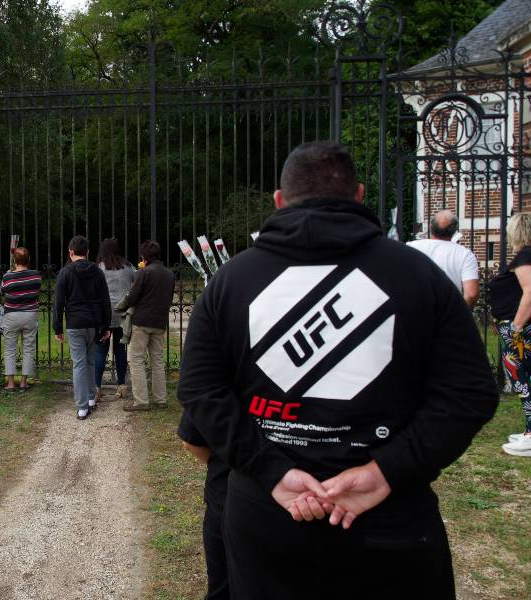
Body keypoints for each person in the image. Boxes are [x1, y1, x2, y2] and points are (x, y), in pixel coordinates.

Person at [177, 141, 498, 599]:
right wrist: (386, 470)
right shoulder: (418, 275)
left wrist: (271, 470)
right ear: (360, 195)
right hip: (391, 517)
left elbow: (199, 391)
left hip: (268, 515)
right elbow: (470, 393)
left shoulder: (232, 280)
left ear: (279, 201)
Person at [53, 235, 111, 420]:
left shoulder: (65, 272)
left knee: (79, 363)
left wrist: (57, 328)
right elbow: (105, 301)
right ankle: (90, 398)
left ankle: (82, 407)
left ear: (71, 252)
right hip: (94, 323)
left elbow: (58, 303)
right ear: (87, 252)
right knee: (90, 361)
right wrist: (106, 325)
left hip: (75, 323)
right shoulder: (98, 272)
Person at [489, 212, 531, 457]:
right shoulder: (525, 256)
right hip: (518, 326)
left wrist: (515, 325)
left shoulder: (524, 256)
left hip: (520, 328)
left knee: (521, 378)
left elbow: (529, 292)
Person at [178, 413, 230, 600]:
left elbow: (191, 441)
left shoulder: (226, 383)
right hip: (302, 508)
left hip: (225, 495)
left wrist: (222, 464)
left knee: (223, 587)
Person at [124, 240, 175, 412]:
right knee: (157, 360)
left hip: (142, 322)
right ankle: (161, 399)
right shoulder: (169, 274)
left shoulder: (143, 273)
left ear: (144, 257)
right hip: (160, 322)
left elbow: (132, 298)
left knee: (136, 359)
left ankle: (141, 401)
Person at [407, 209, 480, 308]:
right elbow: (471, 294)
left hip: (415, 310)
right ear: (455, 230)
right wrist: (458, 314)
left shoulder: (411, 247)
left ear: (430, 227)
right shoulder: (465, 254)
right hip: (447, 314)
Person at [94, 238, 135, 401]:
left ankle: (96, 387)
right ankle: (122, 385)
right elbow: (138, 279)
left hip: (104, 314)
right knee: (120, 350)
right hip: (122, 313)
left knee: (100, 350)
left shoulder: (99, 268)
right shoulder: (127, 266)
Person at [1, 247, 42, 392]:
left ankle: (11, 383)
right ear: (29, 260)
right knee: (28, 348)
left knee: (10, 349)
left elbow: (2, 291)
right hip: (30, 314)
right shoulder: (36, 276)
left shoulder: (8, 277)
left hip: (12, 315)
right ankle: (24, 382)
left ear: (14, 260)